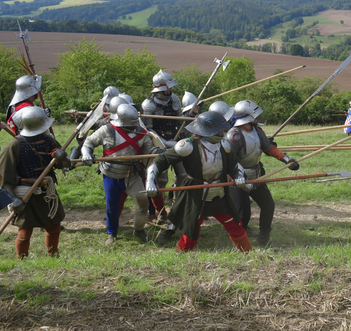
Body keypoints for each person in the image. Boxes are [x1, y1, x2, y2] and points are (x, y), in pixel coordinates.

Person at [147, 111, 252, 253]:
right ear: (209, 131)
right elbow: (160, 161)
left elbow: (233, 164)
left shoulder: (223, 144)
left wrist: (239, 176)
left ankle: (248, 254)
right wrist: (151, 181)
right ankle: (180, 257)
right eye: (220, 130)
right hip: (196, 196)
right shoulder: (187, 146)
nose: (223, 132)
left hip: (220, 195)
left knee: (235, 227)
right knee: (191, 233)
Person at [81, 104, 162, 245]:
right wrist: (86, 153)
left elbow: (150, 151)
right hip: (111, 174)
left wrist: (159, 152)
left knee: (143, 203)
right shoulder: (107, 130)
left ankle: (139, 230)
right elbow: (89, 142)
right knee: (112, 206)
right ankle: (112, 233)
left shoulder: (142, 133)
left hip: (133, 175)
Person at [226, 100, 299, 246]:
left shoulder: (257, 130)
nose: (256, 118)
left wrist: (286, 159)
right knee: (243, 214)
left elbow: (268, 148)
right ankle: (241, 243)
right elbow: (228, 161)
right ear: (246, 117)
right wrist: (237, 177)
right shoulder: (234, 135)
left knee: (268, 205)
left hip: (256, 175)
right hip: (237, 179)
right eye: (254, 115)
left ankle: (263, 238)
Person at [0, 107, 70, 258]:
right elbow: (5, 179)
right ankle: (22, 259)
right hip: (27, 193)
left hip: (47, 191)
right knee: (25, 231)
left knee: (54, 227)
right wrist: (14, 199)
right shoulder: (14, 146)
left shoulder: (48, 140)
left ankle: (53, 255)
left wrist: (62, 158)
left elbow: (65, 165)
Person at [141, 70, 183, 224]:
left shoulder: (174, 99)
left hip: (176, 140)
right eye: (167, 87)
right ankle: (155, 213)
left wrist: (187, 118)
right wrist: (165, 143)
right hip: (157, 144)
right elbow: (148, 129)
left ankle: (180, 208)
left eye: (170, 87)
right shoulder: (149, 104)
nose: (169, 90)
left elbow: (180, 120)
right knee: (159, 181)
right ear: (159, 87)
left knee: (184, 176)